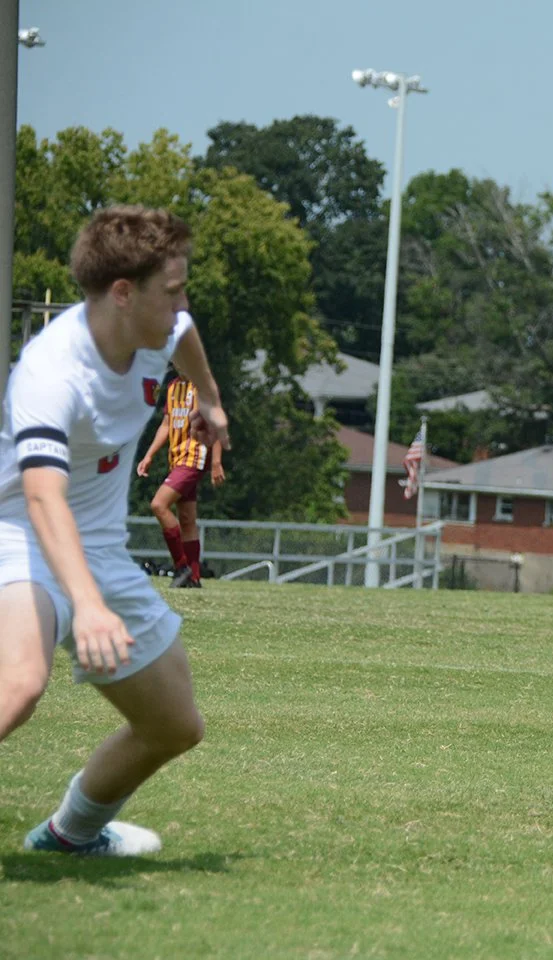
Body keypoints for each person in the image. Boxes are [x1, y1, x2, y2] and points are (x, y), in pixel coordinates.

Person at [0, 205, 229, 855]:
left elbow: (184, 334)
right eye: (173, 290)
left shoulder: (154, 328)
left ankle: (67, 837)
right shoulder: (51, 373)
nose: (182, 305)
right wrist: (89, 605)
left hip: (99, 550)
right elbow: (43, 497)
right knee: (18, 684)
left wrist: (210, 399)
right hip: (19, 536)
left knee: (175, 725)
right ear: (123, 293)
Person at [137, 370, 225, 588]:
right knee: (186, 519)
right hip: (176, 459)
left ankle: (181, 567)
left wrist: (216, 462)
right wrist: (149, 455)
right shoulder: (172, 387)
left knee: (159, 505)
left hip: (193, 457)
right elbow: (167, 424)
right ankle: (193, 578)